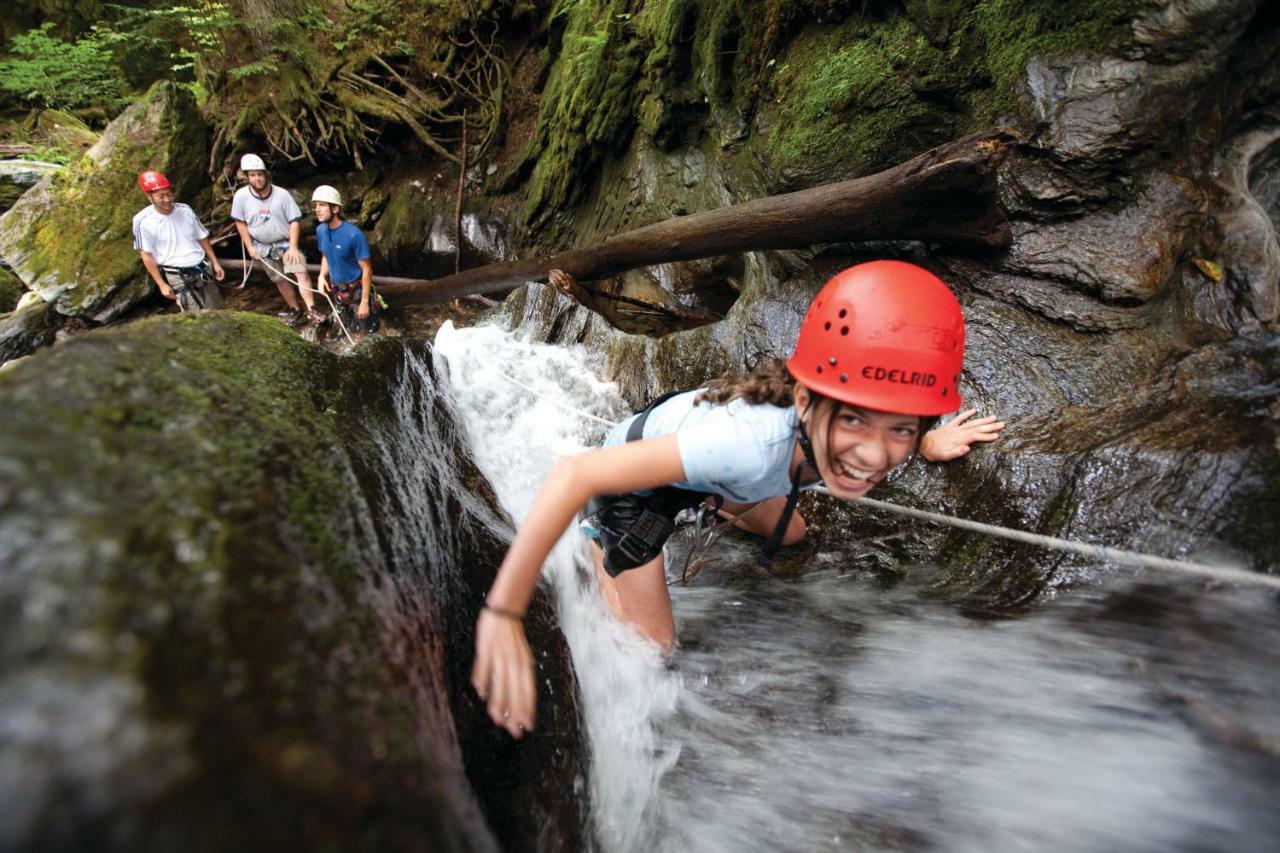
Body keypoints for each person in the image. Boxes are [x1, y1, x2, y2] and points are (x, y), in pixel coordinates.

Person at [471, 260, 1006, 738]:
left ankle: (708, 499)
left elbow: (881, 429)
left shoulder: (848, 433)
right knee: (651, 652)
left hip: (705, 470)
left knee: (792, 533)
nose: (872, 455)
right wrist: (503, 611)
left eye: (901, 430)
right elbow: (574, 474)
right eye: (851, 421)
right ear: (806, 402)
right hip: (630, 489)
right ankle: (597, 547)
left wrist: (930, 444)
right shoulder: (747, 447)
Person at [230, 153, 325, 327]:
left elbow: (295, 221)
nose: (257, 179)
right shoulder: (241, 197)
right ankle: (295, 308)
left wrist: (294, 247)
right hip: (262, 247)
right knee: (279, 280)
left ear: (266, 174)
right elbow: (240, 223)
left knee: (301, 274)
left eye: (260, 174)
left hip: (286, 243)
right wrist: (249, 247)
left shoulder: (282, 195)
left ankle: (312, 309)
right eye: (253, 175)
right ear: (247, 177)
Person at [132, 170, 226, 312]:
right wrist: (161, 284)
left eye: (169, 194)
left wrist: (215, 262)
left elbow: (201, 237)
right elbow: (146, 254)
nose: (167, 199)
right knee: (195, 317)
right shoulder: (142, 221)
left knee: (217, 309)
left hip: (201, 267)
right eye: (160, 196)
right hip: (178, 274)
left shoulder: (185, 210)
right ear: (149, 197)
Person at [311, 185, 379, 335]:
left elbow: (367, 270)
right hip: (338, 289)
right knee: (350, 327)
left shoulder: (354, 235)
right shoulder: (321, 230)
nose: (317, 209)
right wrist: (322, 276)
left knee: (369, 330)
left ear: (335, 209)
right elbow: (326, 255)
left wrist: (364, 302)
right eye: (316, 205)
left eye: (322, 205)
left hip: (357, 289)